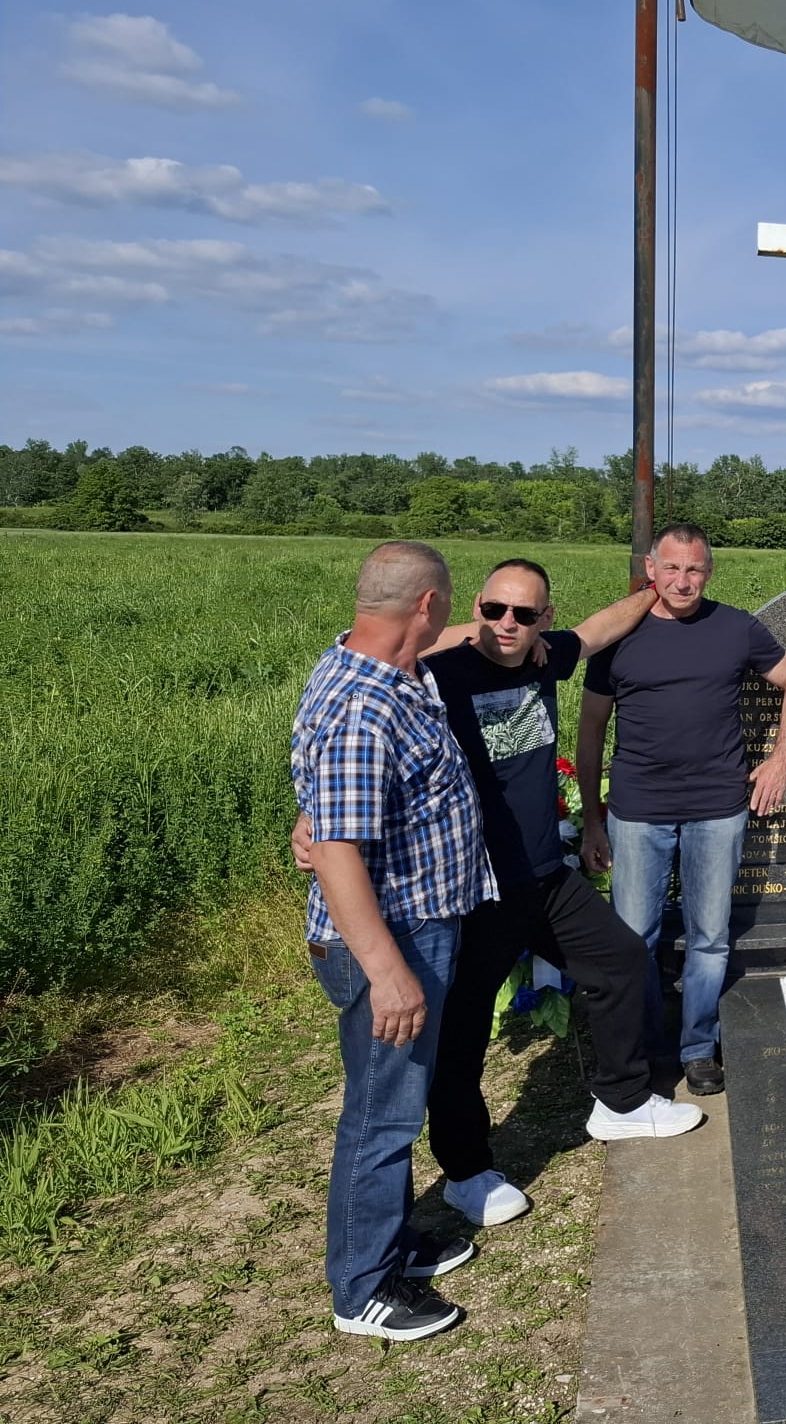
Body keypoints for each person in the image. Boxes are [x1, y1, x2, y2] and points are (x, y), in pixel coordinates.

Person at [296, 560, 708, 1230]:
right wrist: (310, 811)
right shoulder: (436, 674)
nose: (508, 625)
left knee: (623, 961)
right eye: (494, 611)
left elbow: (598, 631)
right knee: (460, 1038)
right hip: (475, 888)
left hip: (544, 875)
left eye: (525, 614)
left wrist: (656, 590)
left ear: (546, 618)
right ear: (473, 609)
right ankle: (465, 1172)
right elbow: (373, 675)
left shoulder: (547, 657)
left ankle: (622, 1102)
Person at [291, 541, 493, 1342]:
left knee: (395, 1103)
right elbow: (338, 849)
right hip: (391, 938)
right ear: (428, 605)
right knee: (381, 1116)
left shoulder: (387, 667)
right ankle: (363, 1289)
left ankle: (392, 1241)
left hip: (417, 926)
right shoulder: (365, 707)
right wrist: (388, 973)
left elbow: (334, 804)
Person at [578, 524, 786, 1096]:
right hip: (638, 808)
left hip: (717, 807)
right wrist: (592, 820)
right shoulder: (618, 637)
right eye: (672, 568)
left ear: (709, 572)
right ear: (651, 569)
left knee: (709, 937)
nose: (683, 582)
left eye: (695, 570)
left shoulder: (735, 627)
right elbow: (591, 728)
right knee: (635, 938)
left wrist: (780, 758)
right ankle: (644, 1048)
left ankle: (698, 1047)